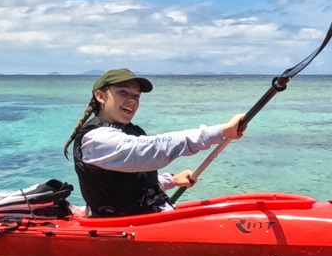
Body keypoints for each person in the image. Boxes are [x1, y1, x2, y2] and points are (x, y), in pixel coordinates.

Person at [64, 68, 245, 217]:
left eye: (136, 96)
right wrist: (219, 132)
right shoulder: (96, 140)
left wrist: (170, 181)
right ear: (100, 96)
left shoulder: (124, 132)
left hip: (147, 216)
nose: (132, 100)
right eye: (123, 92)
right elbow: (150, 151)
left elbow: (125, 184)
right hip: (121, 227)